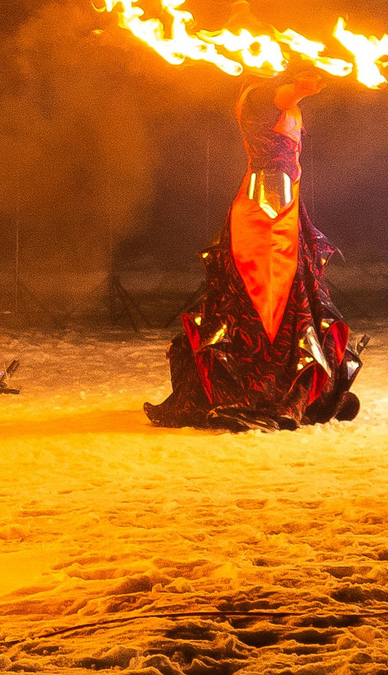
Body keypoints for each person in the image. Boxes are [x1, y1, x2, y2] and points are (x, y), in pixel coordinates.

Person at [145, 71, 362, 430]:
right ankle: (264, 392)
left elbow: (291, 97)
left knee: (294, 298)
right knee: (268, 299)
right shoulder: (261, 96)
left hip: (284, 211)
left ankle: (304, 389)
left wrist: (311, 83)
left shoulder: (267, 95)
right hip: (266, 216)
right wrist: (306, 86)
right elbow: (287, 95)